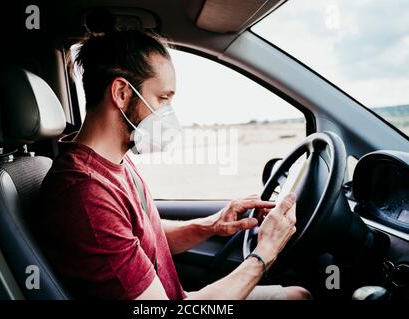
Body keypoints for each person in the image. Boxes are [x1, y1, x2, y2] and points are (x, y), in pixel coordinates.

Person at [36, 29, 311, 300]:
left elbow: (142, 237)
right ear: (121, 93)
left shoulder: (112, 162)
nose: (168, 113)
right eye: (163, 98)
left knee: (299, 295)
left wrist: (211, 225)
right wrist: (265, 253)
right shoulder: (85, 194)